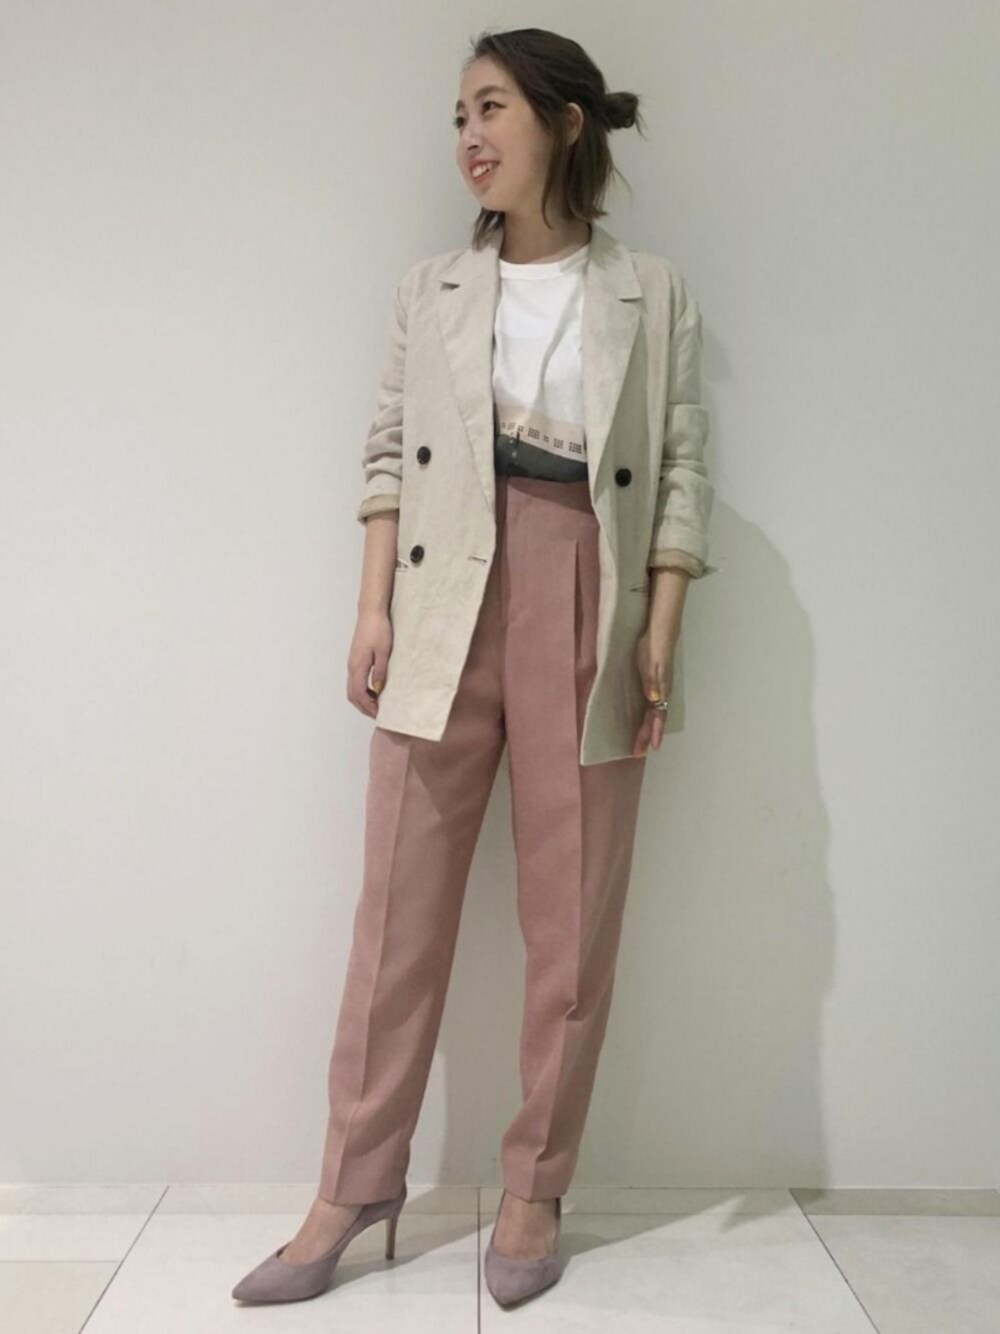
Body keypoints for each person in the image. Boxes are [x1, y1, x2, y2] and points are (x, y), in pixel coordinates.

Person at [232, 24, 715, 1311]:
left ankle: (535, 1186)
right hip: (444, 587)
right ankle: (351, 1185)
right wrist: (371, 606)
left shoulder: (650, 290)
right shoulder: (431, 287)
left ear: (563, 121)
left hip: (587, 592)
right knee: (394, 914)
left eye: (491, 107)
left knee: (570, 920)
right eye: (459, 114)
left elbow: (679, 466)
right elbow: (386, 445)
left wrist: (660, 626)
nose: (468, 135)